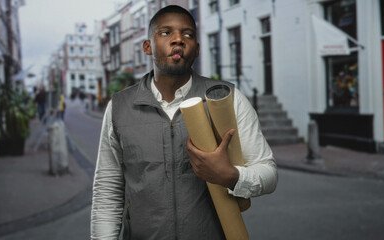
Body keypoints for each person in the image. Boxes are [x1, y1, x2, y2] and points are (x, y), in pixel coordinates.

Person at [91, 5, 277, 240]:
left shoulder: (226, 98)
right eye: (166, 32)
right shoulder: (119, 107)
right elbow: (107, 191)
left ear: (197, 49)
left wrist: (230, 175)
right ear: (147, 46)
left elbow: (268, 172)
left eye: (188, 34)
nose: (178, 39)